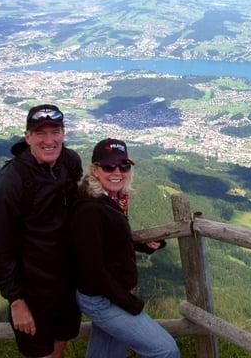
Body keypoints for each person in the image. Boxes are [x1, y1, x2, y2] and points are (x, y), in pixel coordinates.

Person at [69, 138, 180, 358]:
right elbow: (92, 268)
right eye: (109, 166)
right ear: (94, 170)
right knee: (165, 351)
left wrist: (143, 246)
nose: (117, 172)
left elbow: (107, 241)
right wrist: (129, 303)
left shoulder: (109, 199)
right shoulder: (90, 209)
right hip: (103, 298)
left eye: (124, 166)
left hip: (108, 293)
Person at [0, 104, 82, 358]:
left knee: (59, 346)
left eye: (55, 132)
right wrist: (16, 301)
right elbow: (0, 247)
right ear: (27, 137)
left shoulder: (70, 162)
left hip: (65, 284)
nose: (49, 140)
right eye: (41, 133)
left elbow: (81, 213)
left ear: (64, 133)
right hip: (32, 292)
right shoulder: (11, 182)